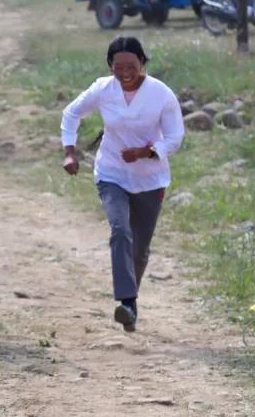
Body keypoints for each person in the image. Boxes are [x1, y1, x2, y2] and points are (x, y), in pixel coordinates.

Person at [60, 36, 184, 333]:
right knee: (120, 230)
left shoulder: (161, 94)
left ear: (143, 62)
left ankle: (130, 306)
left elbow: (175, 137)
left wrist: (145, 152)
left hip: (150, 179)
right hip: (111, 174)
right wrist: (69, 151)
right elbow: (71, 112)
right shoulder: (103, 89)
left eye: (132, 66)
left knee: (139, 249)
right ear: (109, 67)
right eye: (118, 67)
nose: (125, 73)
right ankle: (126, 300)